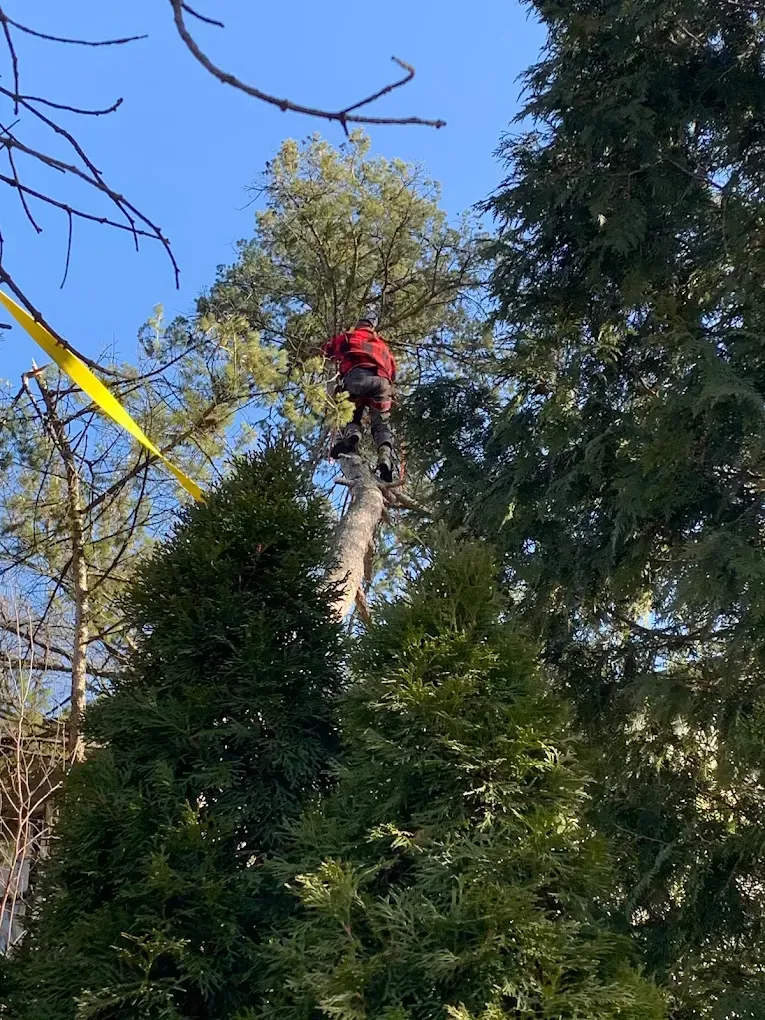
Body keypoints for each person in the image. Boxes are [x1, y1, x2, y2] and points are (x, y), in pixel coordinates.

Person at [323, 318, 397, 483]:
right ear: (372, 329)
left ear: (357, 326)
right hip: (382, 383)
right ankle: (385, 456)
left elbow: (328, 350)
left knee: (350, 414)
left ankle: (352, 435)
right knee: (381, 424)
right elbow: (393, 374)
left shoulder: (349, 336)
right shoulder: (383, 347)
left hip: (356, 377)